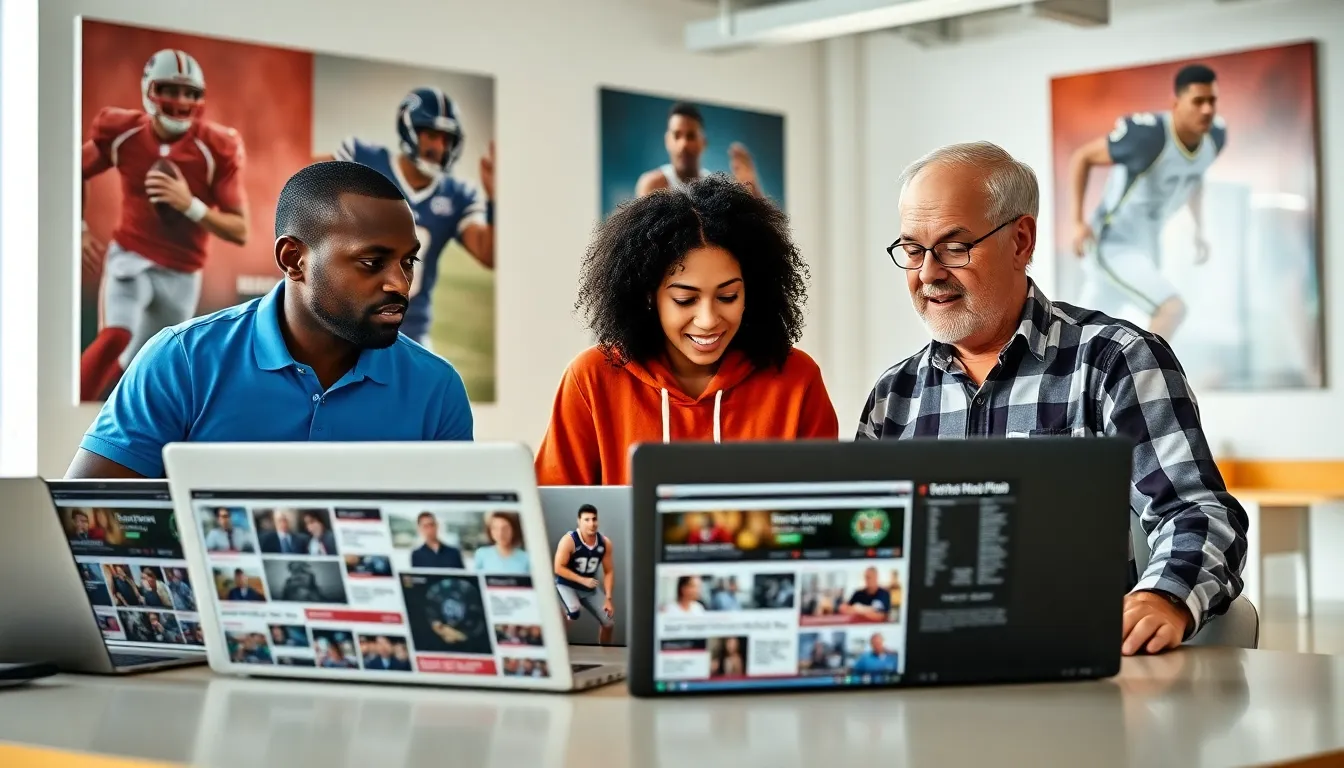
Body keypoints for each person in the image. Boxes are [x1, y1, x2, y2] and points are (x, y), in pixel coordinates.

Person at [858, 141, 1248, 656]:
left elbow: (1197, 510)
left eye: (955, 247)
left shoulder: (1114, 360)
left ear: (1021, 240)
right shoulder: (894, 397)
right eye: (912, 249)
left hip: (1076, 670)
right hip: (932, 673)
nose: (928, 273)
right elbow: (867, 547)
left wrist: (1163, 597)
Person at [65, 160, 474, 479]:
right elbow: (88, 527)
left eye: (408, 262)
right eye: (372, 262)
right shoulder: (181, 362)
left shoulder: (437, 389)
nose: (401, 285)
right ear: (293, 259)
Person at [535, 174, 839, 485]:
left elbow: (823, 516)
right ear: (650, 296)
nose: (707, 319)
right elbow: (553, 516)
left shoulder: (797, 380)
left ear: (752, 291)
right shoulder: (591, 379)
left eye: (727, 297)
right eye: (685, 299)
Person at [79, 48, 250, 402]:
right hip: (131, 255)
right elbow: (74, 169)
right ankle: (70, 408)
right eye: (171, 90)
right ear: (150, 90)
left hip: (182, 272)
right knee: (116, 336)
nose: (181, 100)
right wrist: (78, 227)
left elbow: (239, 229)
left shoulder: (215, 147)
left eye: (190, 93)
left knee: (144, 363)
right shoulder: (124, 132)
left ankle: (104, 420)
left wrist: (190, 205)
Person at [316, 86, 494, 353]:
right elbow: (299, 181)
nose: (439, 147)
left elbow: (487, 253)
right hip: (349, 322)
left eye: (446, 139)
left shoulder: (457, 195)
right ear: (410, 129)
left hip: (410, 332)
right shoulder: (362, 159)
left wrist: (495, 198)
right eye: (431, 135)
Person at [1068, 64, 1227, 341]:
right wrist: (1077, 222)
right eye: (1198, 101)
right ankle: (1145, 382)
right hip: (1112, 243)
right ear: (1176, 104)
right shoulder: (1149, 136)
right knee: (1172, 309)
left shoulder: (1214, 136)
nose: (1207, 110)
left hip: (1146, 247)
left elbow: (1194, 177)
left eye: (1212, 101)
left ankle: (1105, 380)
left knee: (1086, 342)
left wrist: (1199, 229)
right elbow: (1082, 157)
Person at [635, 102, 762, 198]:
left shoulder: (717, 188)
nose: (683, 144)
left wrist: (752, 186)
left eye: (691, 136)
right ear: (667, 141)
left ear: (703, 142)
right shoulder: (653, 185)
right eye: (677, 135)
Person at [553, 504, 615, 644]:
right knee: (573, 611)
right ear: (579, 521)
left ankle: (606, 656)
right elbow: (558, 568)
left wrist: (608, 598)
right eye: (587, 520)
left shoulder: (604, 543)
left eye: (594, 519)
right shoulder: (569, 540)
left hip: (588, 589)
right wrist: (582, 580)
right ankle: (557, 647)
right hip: (567, 585)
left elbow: (609, 571)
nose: (591, 524)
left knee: (609, 622)